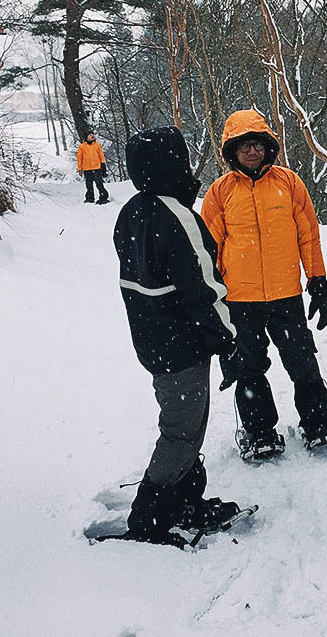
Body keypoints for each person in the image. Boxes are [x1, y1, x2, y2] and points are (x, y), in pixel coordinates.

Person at [112, 126, 245, 545]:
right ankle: (149, 519)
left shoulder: (133, 210)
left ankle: (186, 501)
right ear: (172, 165)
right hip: (180, 345)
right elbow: (204, 290)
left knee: (189, 425)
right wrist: (228, 341)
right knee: (182, 431)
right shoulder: (177, 216)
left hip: (154, 341)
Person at [200, 109, 327, 461]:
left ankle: (317, 424)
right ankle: (260, 431)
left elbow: (309, 236)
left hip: (286, 296)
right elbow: (208, 251)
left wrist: (318, 281)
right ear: (231, 151)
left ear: (268, 147)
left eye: (258, 145)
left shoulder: (289, 183)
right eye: (244, 146)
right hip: (240, 300)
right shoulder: (219, 193)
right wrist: (212, 301)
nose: (252, 152)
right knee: (248, 369)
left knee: (303, 363)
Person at [77, 131, 110, 204]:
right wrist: (80, 169)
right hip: (87, 169)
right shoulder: (82, 146)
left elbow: (101, 156)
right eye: (90, 135)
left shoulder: (97, 145)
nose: (92, 136)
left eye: (92, 135)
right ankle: (90, 198)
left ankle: (103, 197)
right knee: (89, 185)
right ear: (86, 137)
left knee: (99, 184)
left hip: (97, 168)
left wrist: (103, 166)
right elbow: (79, 158)